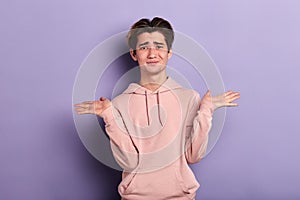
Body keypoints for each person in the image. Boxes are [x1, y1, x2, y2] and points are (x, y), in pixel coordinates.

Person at [74, 17, 240, 200]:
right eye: (144, 47)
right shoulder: (119, 104)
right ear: (134, 54)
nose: (152, 53)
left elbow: (193, 156)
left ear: (169, 52)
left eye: (159, 46)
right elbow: (128, 162)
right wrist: (109, 116)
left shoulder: (188, 98)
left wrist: (206, 110)